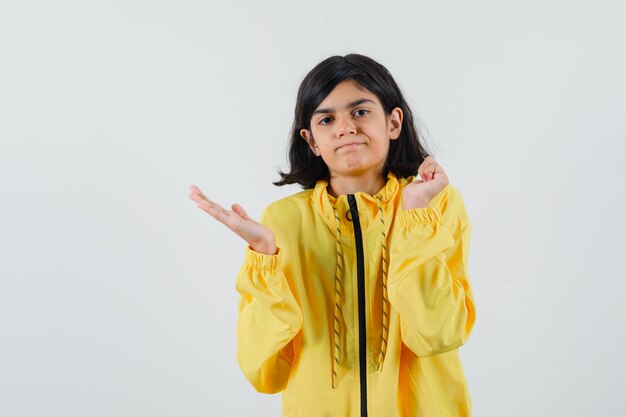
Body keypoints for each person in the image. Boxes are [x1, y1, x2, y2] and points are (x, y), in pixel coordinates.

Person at [189, 53, 476, 417]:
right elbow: (263, 372)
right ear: (311, 140)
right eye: (327, 119)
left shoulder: (435, 204)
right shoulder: (282, 221)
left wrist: (415, 217)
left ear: (393, 121)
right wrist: (263, 256)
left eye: (360, 111)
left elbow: (438, 333)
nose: (344, 127)